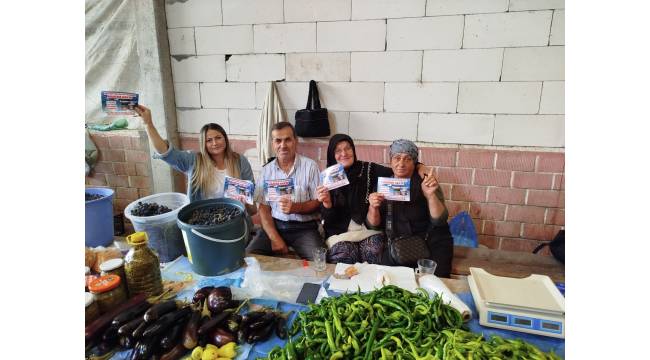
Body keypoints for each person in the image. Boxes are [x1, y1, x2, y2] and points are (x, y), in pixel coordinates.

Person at [316, 134, 433, 265]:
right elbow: (328, 221)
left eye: (348, 148)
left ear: (353, 150)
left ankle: (371, 285)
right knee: (345, 255)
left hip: (368, 231)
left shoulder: (368, 169)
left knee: (374, 251)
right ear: (332, 155)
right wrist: (327, 203)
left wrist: (419, 166)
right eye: (338, 150)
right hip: (340, 235)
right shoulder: (328, 179)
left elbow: (399, 168)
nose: (344, 153)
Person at [134, 105, 256, 215]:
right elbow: (165, 151)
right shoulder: (194, 161)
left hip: (234, 220)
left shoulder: (240, 161)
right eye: (209, 140)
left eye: (218, 138)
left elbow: (252, 205)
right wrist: (148, 124)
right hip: (203, 221)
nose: (214, 143)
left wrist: (245, 202)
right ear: (203, 143)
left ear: (225, 139)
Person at [366, 139, 454, 277]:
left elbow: (440, 220)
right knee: (388, 283)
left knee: (436, 286)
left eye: (407, 159)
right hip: (399, 247)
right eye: (397, 158)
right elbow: (373, 226)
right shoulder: (383, 185)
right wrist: (373, 207)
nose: (401, 163)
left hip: (431, 244)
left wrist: (431, 196)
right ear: (391, 161)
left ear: (415, 163)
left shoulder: (426, 182)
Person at [246, 122, 323, 260]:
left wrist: (296, 207)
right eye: (278, 141)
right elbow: (263, 209)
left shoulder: (310, 166)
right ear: (272, 144)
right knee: (250, 258)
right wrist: (274, 238)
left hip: (304, 228)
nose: (283, 145)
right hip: (275, 225)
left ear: (295, 141)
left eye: (287, 139)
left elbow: (318, 201)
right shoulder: (266, 171)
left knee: (320, 261)